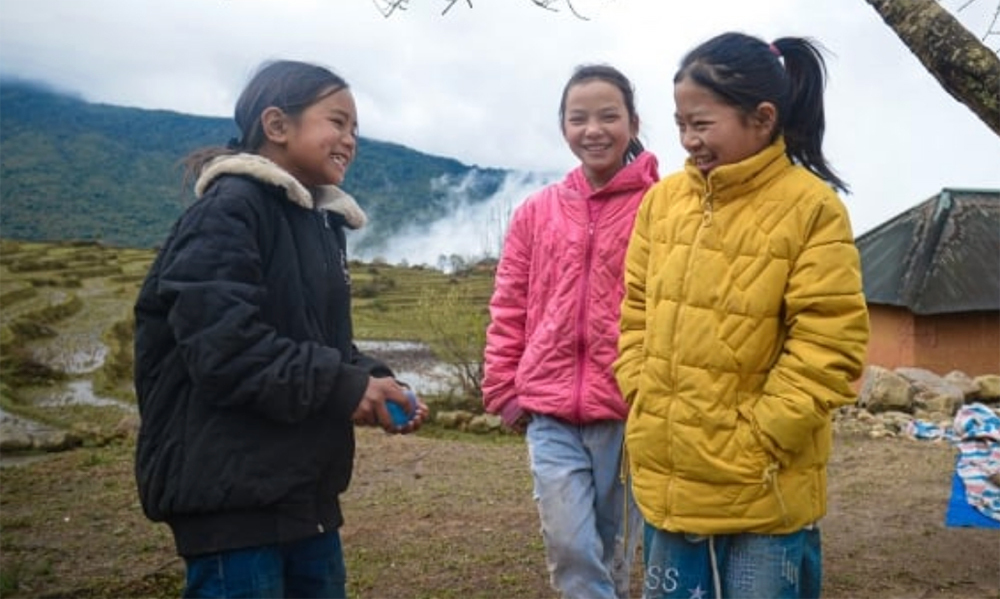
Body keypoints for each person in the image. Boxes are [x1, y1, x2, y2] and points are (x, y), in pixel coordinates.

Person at [132, 59, 428, 599]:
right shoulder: (228, 212)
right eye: (337, 121)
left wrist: (374, 381)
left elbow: (320, 342)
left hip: (302, 495)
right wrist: (345, 387)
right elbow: (226, 351)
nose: (350, 139)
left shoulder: (318, 222)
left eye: (355, 128)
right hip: (232, 499)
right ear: (277, 125)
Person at [614, 32, 870, 599]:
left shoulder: (812, 208)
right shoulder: (662, 203)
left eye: (702, 124)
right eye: (680, 124)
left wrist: (762, 437)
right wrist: (639, 388)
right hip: (670, 474)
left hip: (764, 484)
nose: (689, 140)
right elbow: (635, 310)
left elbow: (830, 343)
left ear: (763, 118)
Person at [482, 64, 659, 599]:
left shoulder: (661, 209)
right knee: (570, 545)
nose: (593, 130)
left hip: (627, 409)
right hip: (551, 409)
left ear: (633, 123)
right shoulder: (537, 211)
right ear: (562, 126)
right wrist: (504, 387)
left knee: (612, 549)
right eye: (578, 118)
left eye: (609, 116)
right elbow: (509, 302)